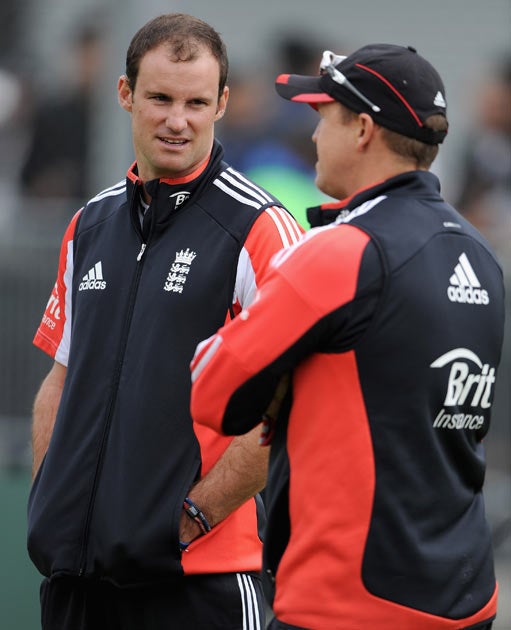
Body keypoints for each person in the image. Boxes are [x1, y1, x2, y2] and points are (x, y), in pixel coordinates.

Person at [190, 43, 505, 629]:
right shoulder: (480, 255)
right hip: (466, 597)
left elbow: (211, 391)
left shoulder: (341, 252)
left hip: (349, 602)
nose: (312, 136)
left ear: (362, 129)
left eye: (322, 116)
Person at [28, 13, 303, 630]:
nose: (177, 120)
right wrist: (52, 498)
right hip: (77, 577)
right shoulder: (89, 225)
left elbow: (288, 403)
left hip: (199, 583)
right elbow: (60, 380)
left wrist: (195, 518)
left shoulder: (260, 227)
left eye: (196, 102)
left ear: (222, 104)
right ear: (125, 94)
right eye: (159, 98)